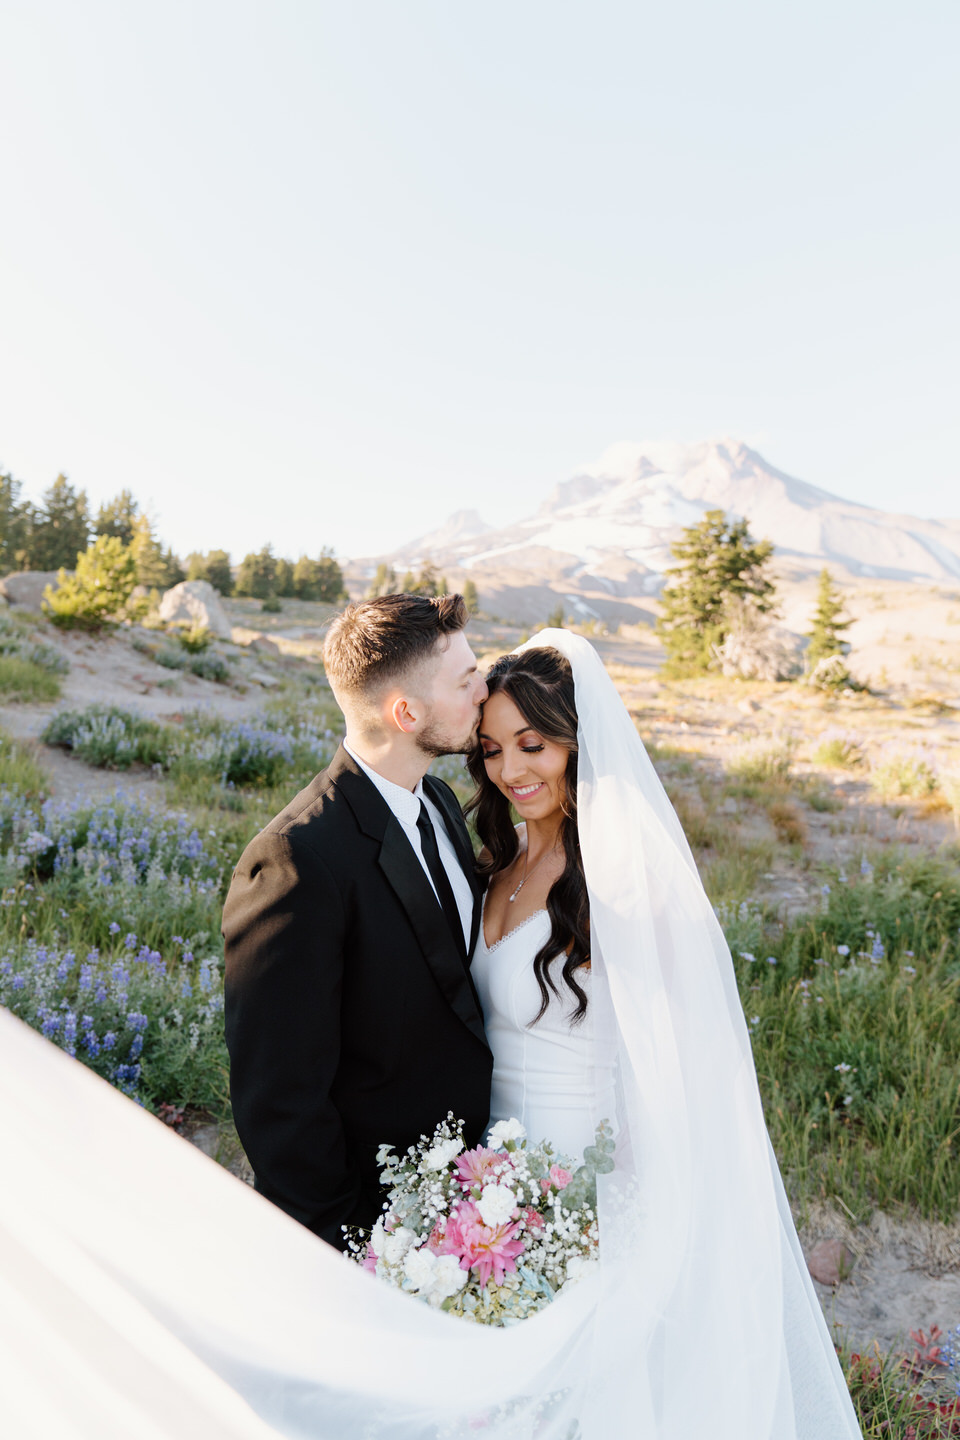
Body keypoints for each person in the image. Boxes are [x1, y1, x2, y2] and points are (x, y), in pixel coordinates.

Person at [0, 627, 863, 1439]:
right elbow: (285, 1094)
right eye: (492, 746)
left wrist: (623, 1215)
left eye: (534, 745)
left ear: (577, 743)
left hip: (580, 1194)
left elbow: (679, 1076)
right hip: (467, 1192)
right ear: (413, 715)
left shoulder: (622, 890)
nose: (510, 768)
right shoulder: (472, 854)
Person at [222, 592, 492, 1247]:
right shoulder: (295, 861)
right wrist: (350, 1248)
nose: (488, 687)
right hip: (374, 1228)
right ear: (407, 712)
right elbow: (281, 1103)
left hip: (468, 1199)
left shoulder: (441, 802)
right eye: (466, 679)